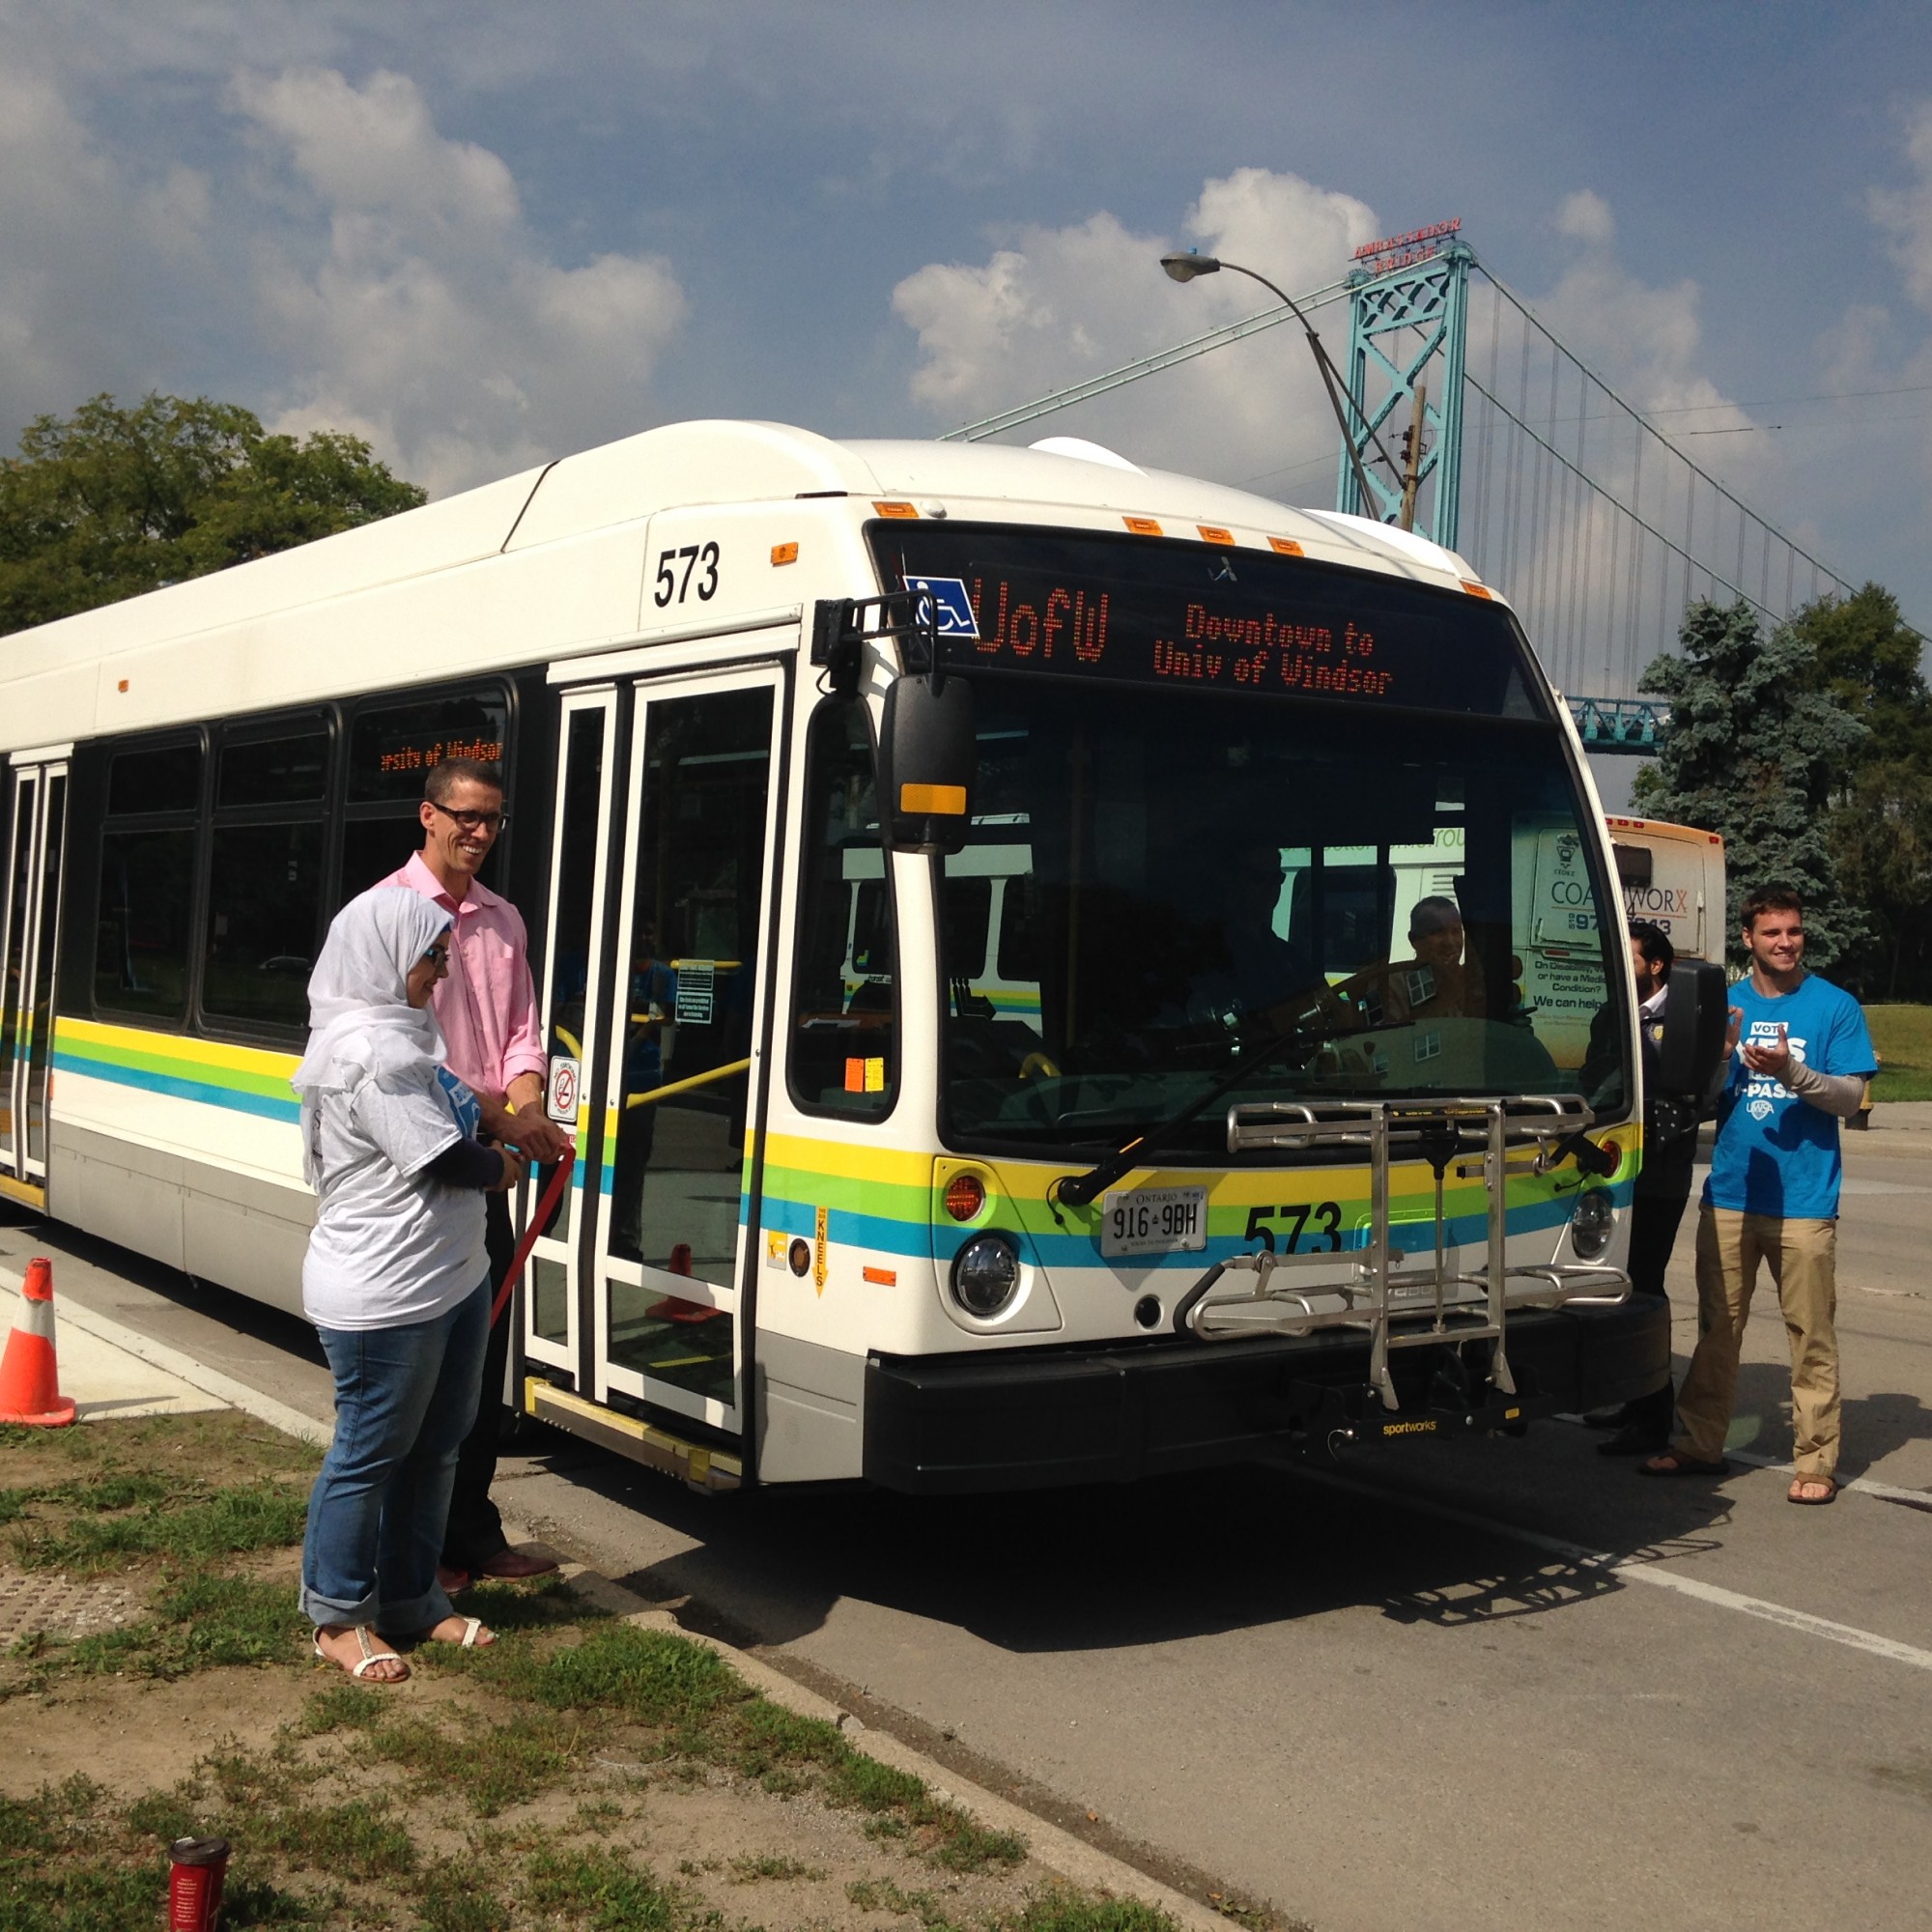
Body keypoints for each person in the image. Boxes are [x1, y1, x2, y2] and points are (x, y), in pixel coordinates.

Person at [294, 887, 526, 1681]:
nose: (443, 972)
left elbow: (465, 1107)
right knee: (370, 1452)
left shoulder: (409, 1037)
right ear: (388, 959)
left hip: (450, 1280)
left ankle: (412, 1597)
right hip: (383, 1294)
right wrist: (499, 1163)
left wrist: (508, 1118)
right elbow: (439, 1157)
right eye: (433, 957)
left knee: (436, 1449)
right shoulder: (369, 1054)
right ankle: (338, 1613)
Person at [381, 756, 575, 1583]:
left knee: (479, 1360)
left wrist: (528, 1102)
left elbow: (522, 1030)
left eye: (493, 819)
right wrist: (505, 1121)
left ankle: (470, 1532)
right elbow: (403, 1052)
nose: (480, 832)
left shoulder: (504, 921)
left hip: (488, 1164)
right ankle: (410, 1545)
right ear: (427, 816)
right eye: (466, 815)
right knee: (417, 1368)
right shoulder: (388, 916)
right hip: (420, 1170)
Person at [1640, 887, 1875, 1503]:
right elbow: (1697, 1095)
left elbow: (1852, 1099)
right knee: (1718, 1327)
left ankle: (1816, 1464)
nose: (1785, 942)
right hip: (1731, 1194)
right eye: (1772, 932)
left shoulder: (1835, 1007)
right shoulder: (1724, 1003)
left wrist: (1791, 1072)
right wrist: (1718, 1059)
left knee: (1810, 1333)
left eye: (1793, 931)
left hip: (1804, 1201)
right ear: (1749, 938)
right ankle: (1697, 1444)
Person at [1594, 922, 1700, 1457]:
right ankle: (1629, 1397)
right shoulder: (1608, 1016)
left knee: (1647, 1288)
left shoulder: (1683, 1020)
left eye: (1628, 955)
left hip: (1659, 1177)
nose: (1618, 961)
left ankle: (1653, 1418)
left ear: (1656, 965)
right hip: (1612, 1174)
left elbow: (1692, 1095)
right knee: (1616, 1287)